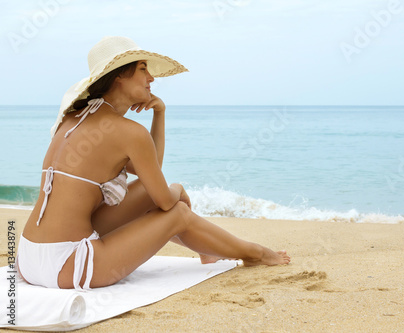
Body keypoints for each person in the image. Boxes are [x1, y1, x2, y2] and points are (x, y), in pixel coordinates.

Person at [17, 36, 290, 291]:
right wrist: (178, 189)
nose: (151, 78)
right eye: (143, 69)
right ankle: (255, 253)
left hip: (28, 259)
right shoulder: (128, 132)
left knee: (155, 190)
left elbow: (151, 174)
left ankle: (207, 250)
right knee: (178, 212)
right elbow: (166, 203)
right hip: (71, 265)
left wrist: (159, 114)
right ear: (120, 75)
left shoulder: (72, 118)